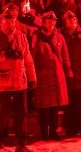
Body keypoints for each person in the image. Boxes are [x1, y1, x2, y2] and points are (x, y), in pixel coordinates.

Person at [0, 8, 37, 152]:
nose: (10, 24)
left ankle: (21, 144)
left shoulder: (21, 37)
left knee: (21, 113)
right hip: (3, 80)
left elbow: (28, 59)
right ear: (1, 22)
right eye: (7, 21)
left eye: (12, 21)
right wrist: (5, 55)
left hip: (20, 80)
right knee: (2, 112)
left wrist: (32, 78)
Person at [30, 11, 72, 140]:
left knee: (54, 105)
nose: (52, 23)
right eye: (49, 21)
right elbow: (33, 54)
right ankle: (44, 132)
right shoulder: (37, 36)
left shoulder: (60, 37)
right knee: (44, 106)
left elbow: (65, 56)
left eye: (53, 21)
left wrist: (68, 71)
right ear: (43, 22)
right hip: (43, 73)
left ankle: (53, 131)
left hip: (57, 74)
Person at [61, 10, 81, 137]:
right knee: (67, 102)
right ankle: (68, 126)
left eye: (73, 20)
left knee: (77, 102)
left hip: (78, 73)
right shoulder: (62, 35)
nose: (72, 22)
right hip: (66, 73)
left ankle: (78, 126)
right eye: (69, 20)